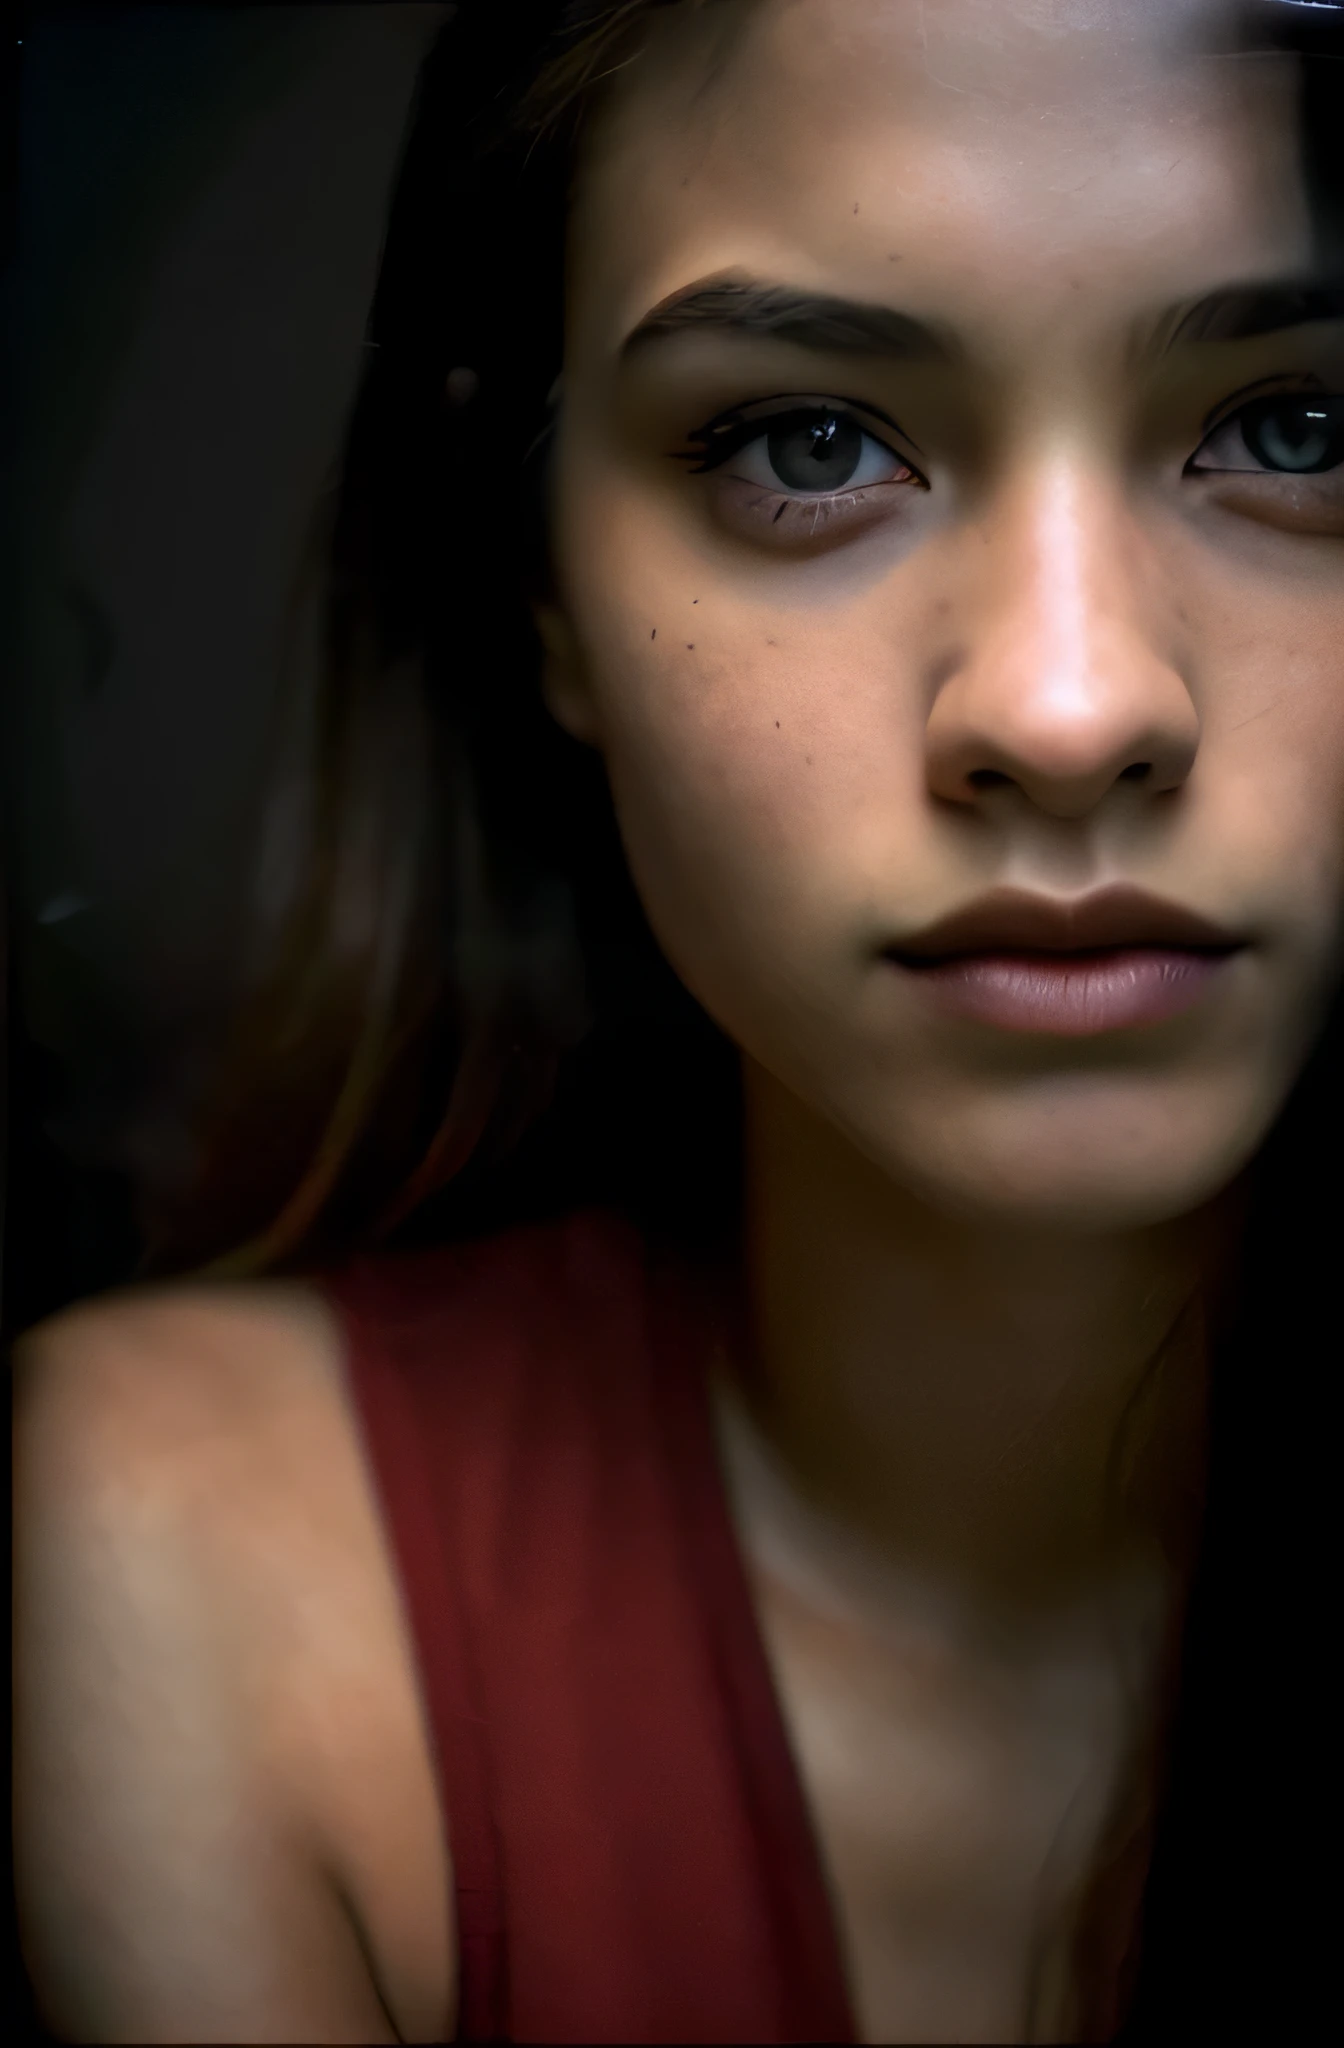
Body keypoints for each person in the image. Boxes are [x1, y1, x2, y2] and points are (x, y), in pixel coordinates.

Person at [12, 1, 1343, 2040]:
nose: (1070, 708)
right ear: (540, 587)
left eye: (1298, 430)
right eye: (811, 444)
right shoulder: (176, 1561)